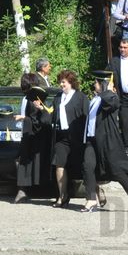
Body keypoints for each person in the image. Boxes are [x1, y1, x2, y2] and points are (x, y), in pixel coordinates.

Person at [81, 70, 128, 213]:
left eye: (96, 82)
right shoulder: (95, 98)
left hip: (107, 141)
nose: (94, 85)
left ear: (103, 84)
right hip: (91, 140)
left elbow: (113, 104)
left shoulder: (111, 97)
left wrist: (108, 90)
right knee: (88, 167)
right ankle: (91, 200)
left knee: (117, 171)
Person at [50, 70, 88, 208]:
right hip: (62, 137)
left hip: (77, 137)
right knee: (59, 164)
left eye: (63, 82)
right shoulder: (57, 98)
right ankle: (62, 196)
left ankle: (96, 192)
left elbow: (86, 116)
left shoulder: (81, 97)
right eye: (60, 82)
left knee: (84, 167)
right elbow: (52, 115)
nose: (61, 85)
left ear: (71, 82)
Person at [14, 75, 53, 203]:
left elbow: (37, 120)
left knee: (25, 162)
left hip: (34, 136)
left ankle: (24, 191)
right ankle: (22, 190)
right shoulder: (27, 98)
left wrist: (23, 118)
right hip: (27, 134)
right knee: (22, 161)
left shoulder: (35, 99)